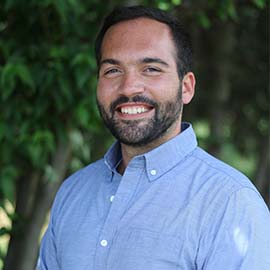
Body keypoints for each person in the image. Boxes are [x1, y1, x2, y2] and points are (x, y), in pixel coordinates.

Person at [37, 5, 270, 270]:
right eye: (113, 70)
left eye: (151, 69)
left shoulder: (231, 203)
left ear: (186, 87)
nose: (128, 88)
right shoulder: (73, 192)